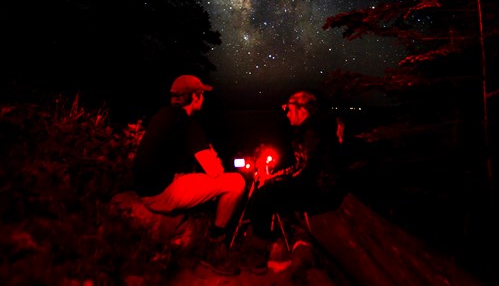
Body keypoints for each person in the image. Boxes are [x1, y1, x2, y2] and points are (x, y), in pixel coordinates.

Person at [132, 74, 246, 276]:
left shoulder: (162, 115)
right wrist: (214, 156)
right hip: (161, 194)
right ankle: (214, 244)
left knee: (194, 176)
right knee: (235, 182)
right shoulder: (187, 123)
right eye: (201, 94)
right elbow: (215, 171)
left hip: (146, 187)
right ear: (194, 97)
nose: (203, 98)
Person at [244, 90, 346, 274]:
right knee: (270, 191)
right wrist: (281, 175)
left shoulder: (313, 130)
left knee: (262, 197)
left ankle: (262, 253)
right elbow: (304, 165)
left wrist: (285, 182)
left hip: (323, 190)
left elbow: (313, 170)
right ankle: (277, 245)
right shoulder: (307, 130)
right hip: (319, 184)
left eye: (289, 109)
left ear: (302, 110)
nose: (287, 113)